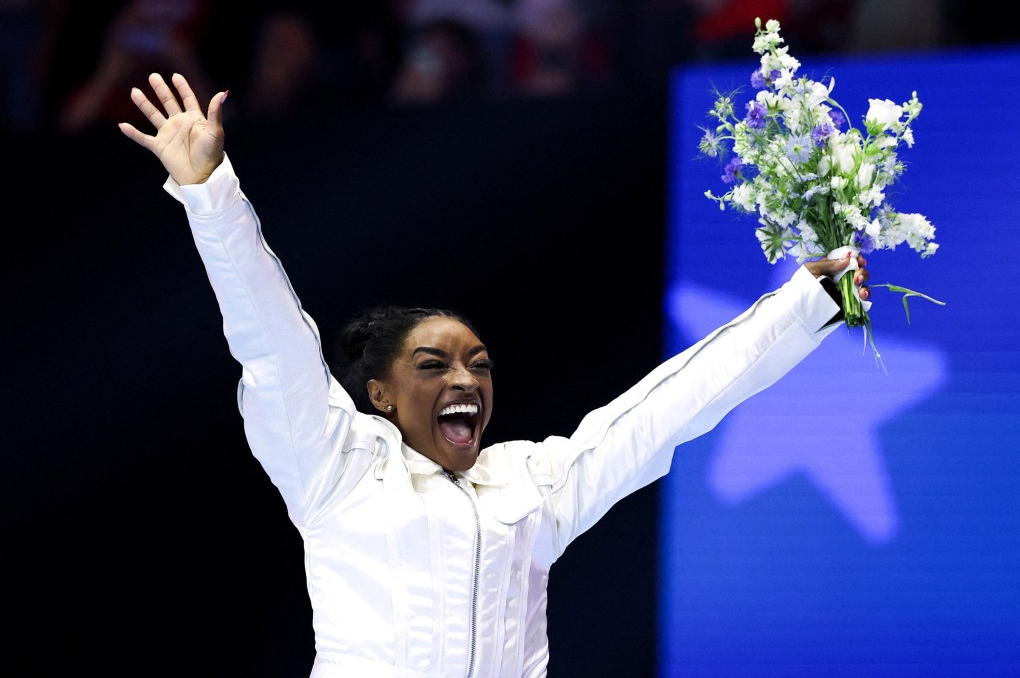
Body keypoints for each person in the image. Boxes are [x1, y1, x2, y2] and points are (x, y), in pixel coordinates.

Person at [118, 72, 869, 678]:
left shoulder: (533, 482)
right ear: (379, 395)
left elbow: (673, 407)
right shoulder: (332, 466)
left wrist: (809, 301)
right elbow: (269, 338)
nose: (465, 380)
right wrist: (211, 193)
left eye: (479, 365)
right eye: (434, 365)